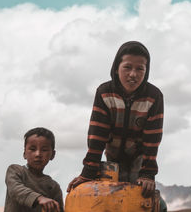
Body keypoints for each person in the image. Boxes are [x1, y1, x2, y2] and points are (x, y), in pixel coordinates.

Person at [67, 41, 166, 210]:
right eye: (127, 67)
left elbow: (152, 138)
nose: (133, 74)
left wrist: (148, 174)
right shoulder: (105, 93)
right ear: (116, 68)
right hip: (112, 156)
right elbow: (97, 134)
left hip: (139, 158)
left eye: (140, 69)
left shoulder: (153, 96)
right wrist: (88, 172)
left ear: (146, 71)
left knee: (148, 199)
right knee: (108, 200)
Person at [4, 127, 64, 212]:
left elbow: (58, 209)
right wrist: (39, 198)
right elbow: (16, 190)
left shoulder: (53, 186)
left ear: (52, 155)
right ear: (25, 154)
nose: (38, 154)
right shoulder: (15, 171)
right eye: (32, 149)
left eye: (44, 150)